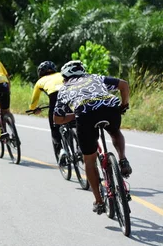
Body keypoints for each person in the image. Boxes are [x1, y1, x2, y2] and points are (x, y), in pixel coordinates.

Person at [53, 60, 132, 214]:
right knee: (115, 131)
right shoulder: (95, 77)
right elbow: (123, 84)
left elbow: (58, 119)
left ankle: (99, 201)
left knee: (89, 159)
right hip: (110, 107)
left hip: (85, 114)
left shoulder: (64, 89)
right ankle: (122, 159)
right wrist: (124, 105)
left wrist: (75, 115)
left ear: (65, 77)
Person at [29, 61, 65, 162]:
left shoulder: (40, 81)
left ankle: (61, 150)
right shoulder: (61, 74)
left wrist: (33, 109)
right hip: (69, 96)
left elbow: (33, 102)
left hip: (54, 99)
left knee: (55, 128)